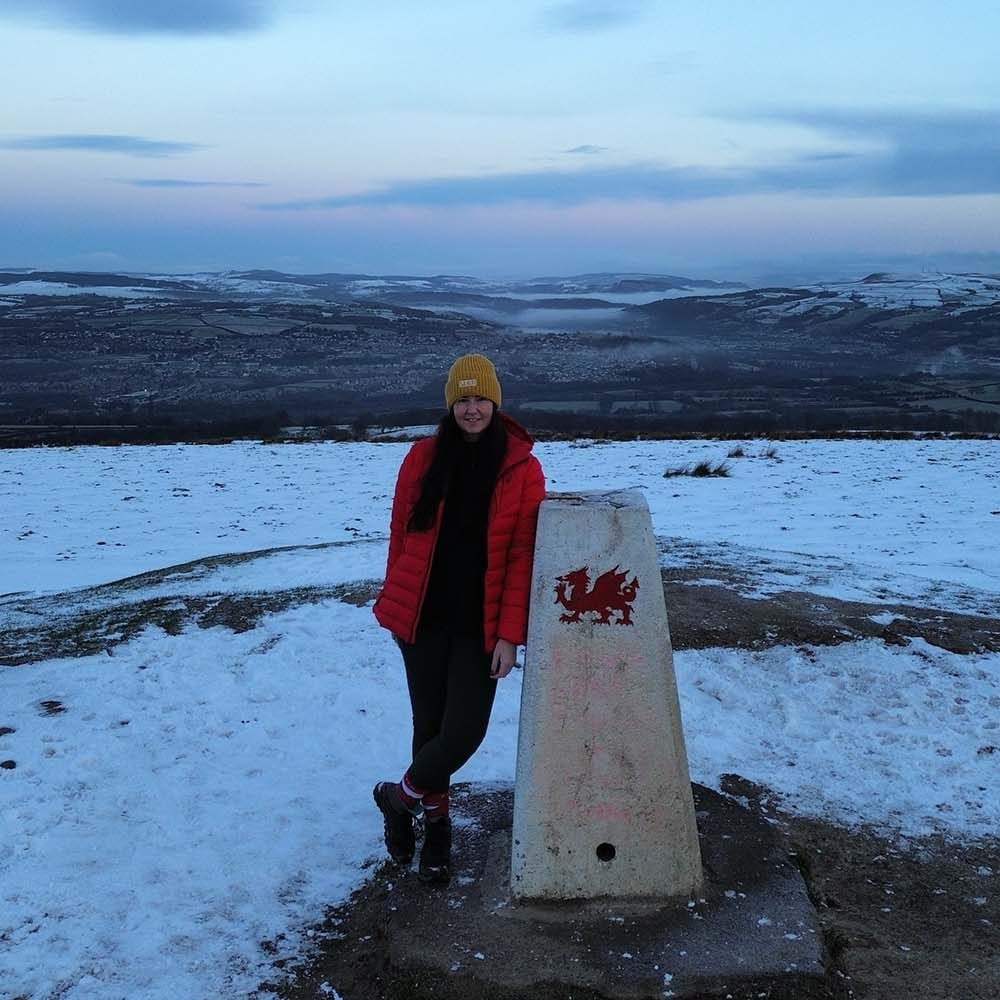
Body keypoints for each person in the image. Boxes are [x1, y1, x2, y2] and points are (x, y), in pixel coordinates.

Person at [372, 353, 545, 884]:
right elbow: (401, 536)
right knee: (428, 728)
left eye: (481, 399)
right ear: (451, 405)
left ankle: (397, 798)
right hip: (422, 620)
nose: (472, 409)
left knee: (463, 731)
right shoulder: (423, 457)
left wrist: (510, 636)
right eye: (463, 399)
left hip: (480, 625)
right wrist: (398, 605)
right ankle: (437, 829)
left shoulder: (522, 467)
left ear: (496, 403)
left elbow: (522, 558)